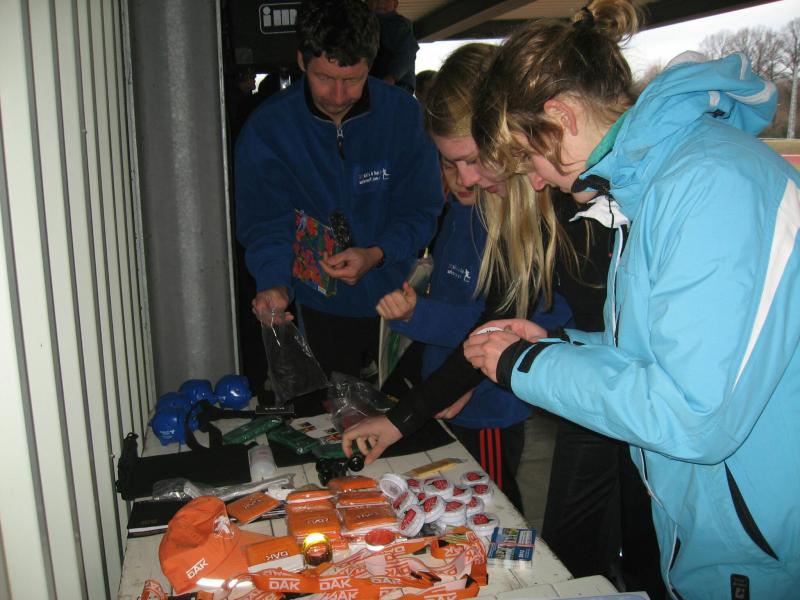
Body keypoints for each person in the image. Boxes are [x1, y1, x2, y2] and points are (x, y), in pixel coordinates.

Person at [464, 1, 800, 597]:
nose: (536, 181)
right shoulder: (652, 187)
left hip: (767, 550)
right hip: (723, 533)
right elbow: (662, 356)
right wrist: (562, 344)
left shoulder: (712, 184)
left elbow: (693, 416)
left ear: (560, 116)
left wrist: (528, 365)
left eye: (529, 157)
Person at [235, 0, 442, 407]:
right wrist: (274, 284)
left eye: (353, 80)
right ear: (301, 61)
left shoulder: (403, 116)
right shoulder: (268, 129)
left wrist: (377, 253)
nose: (337, 95)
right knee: (323, 425)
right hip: (315, 308)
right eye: (324, 78)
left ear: (371, 64)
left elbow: (421, 211)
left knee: (402, 422)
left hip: (397, 301)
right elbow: (266, 223)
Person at [367, 0, 419, 94]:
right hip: (376, 82)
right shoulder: (366, 25)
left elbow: (407, 53)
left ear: (395, 4)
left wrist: (391, 77)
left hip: (398, 82)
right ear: (367, 3)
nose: (381, 2)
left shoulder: (399, 24)